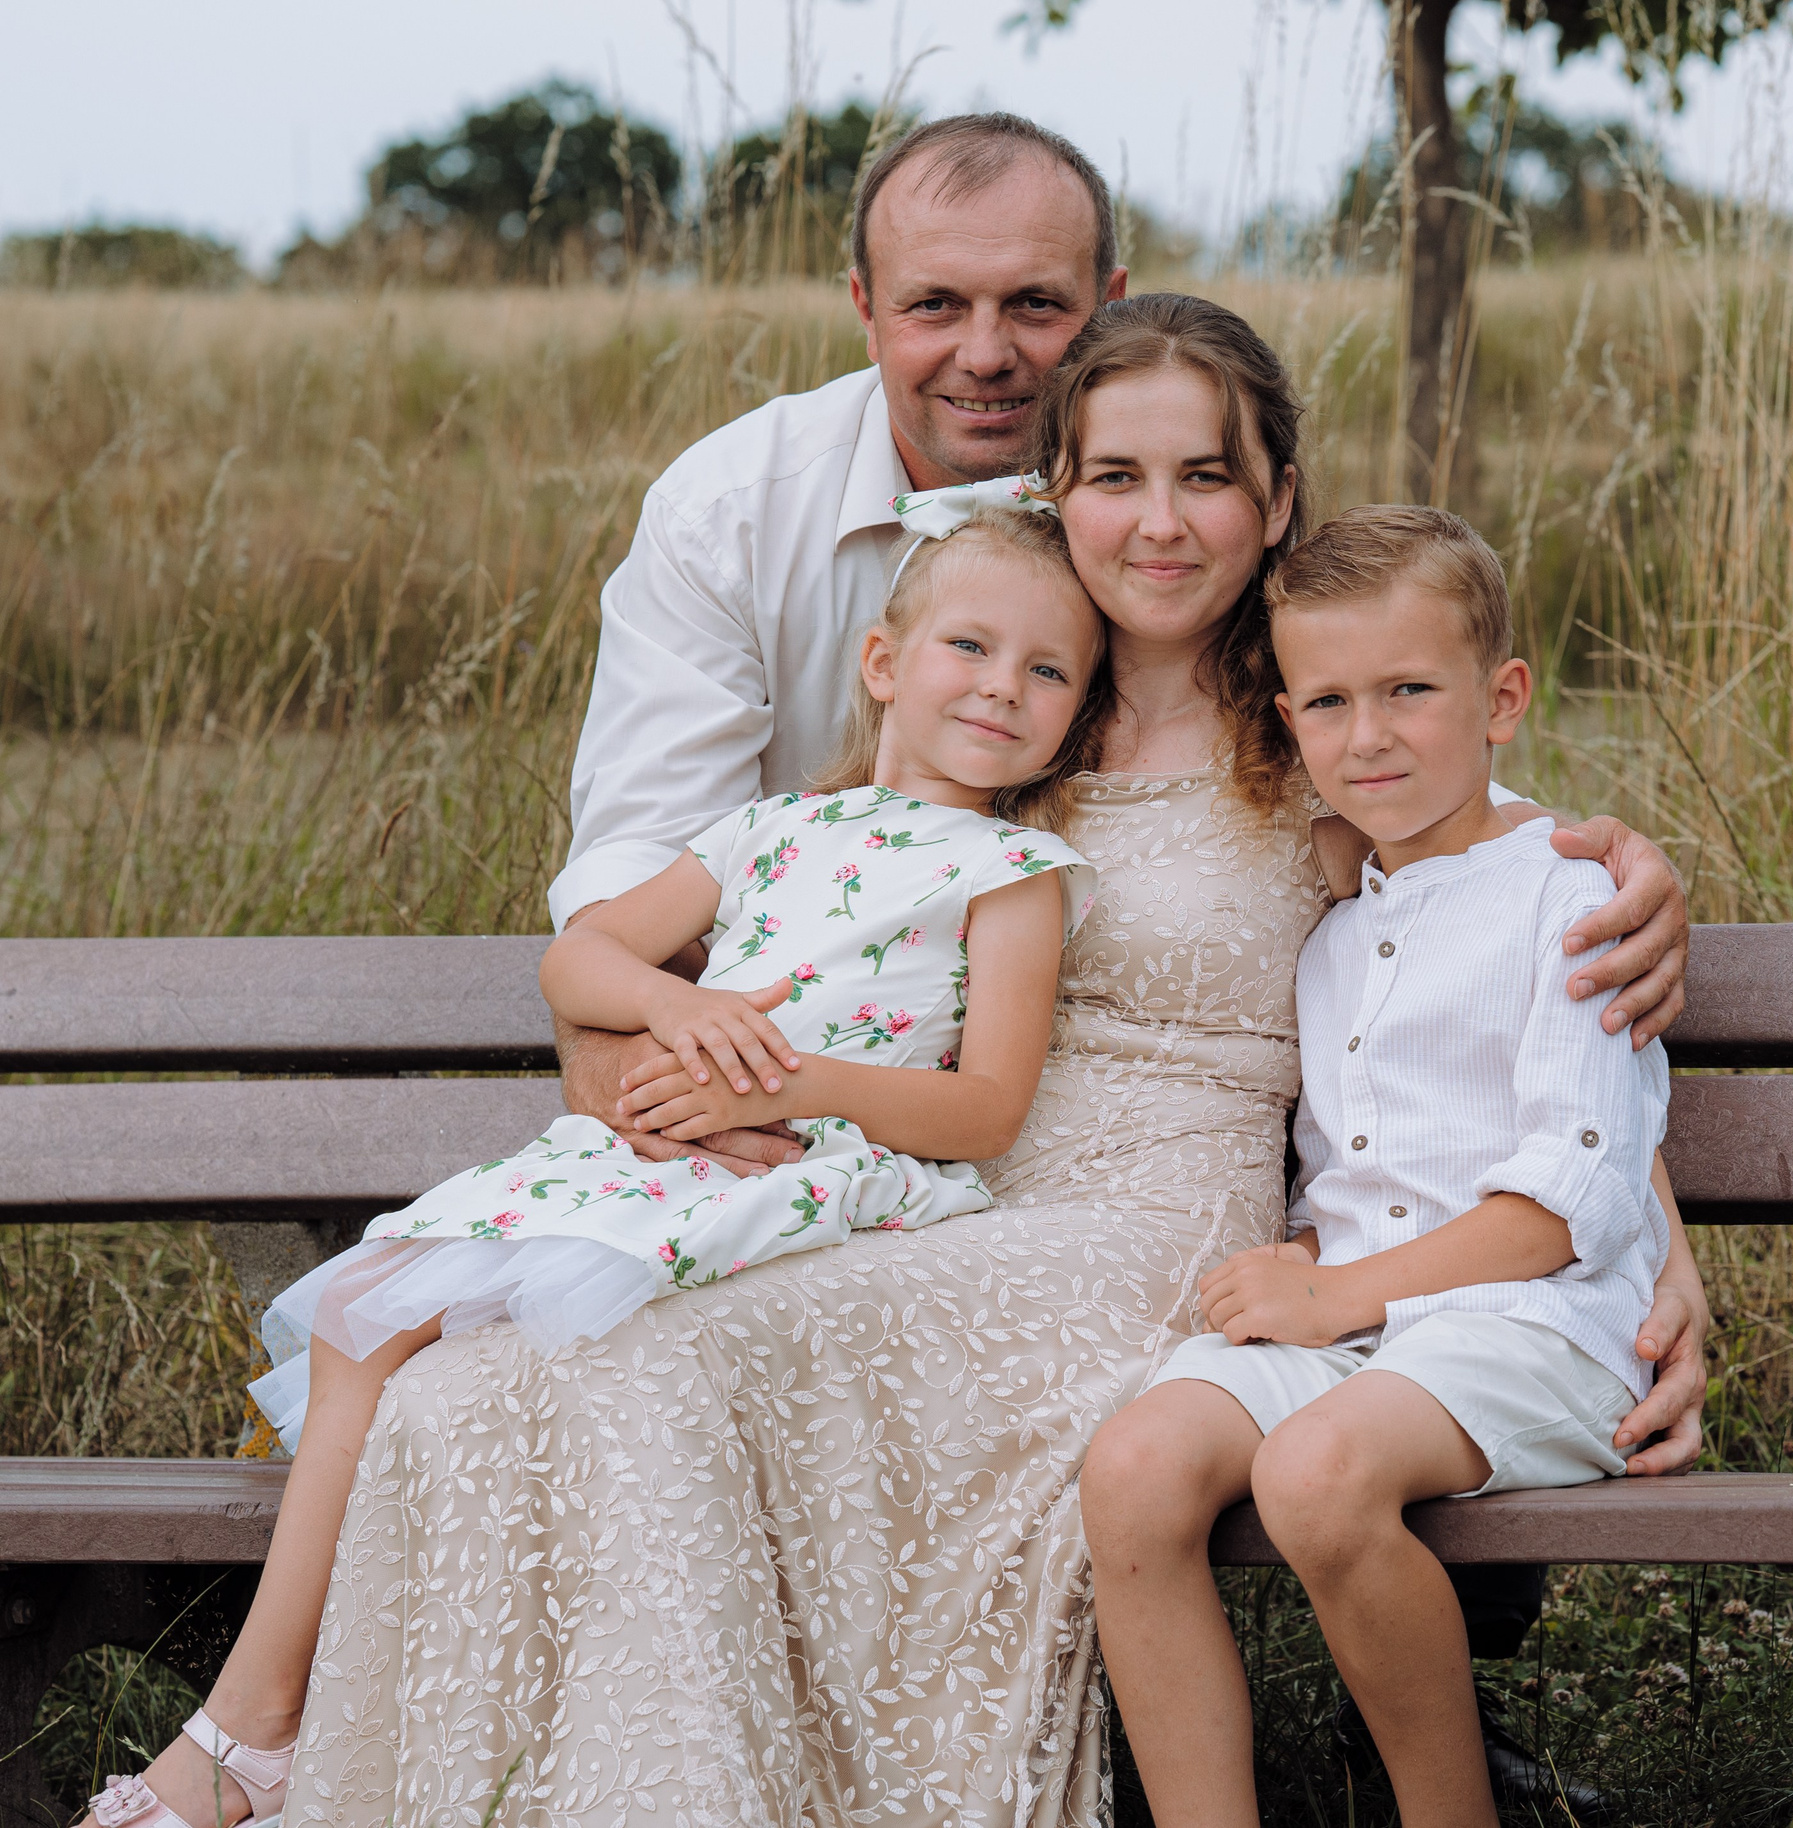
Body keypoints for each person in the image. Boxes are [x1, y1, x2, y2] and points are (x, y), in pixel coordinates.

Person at [540, 109, 1705, 1806]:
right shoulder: (1004, 711)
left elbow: (1513, 928)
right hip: (938, 1172)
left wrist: (1653, 1236)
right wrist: (665, 1113)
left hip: (1168, 1219)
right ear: (1052, 494)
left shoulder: (1310, 727)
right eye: (1115, 482)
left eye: (1208, 479)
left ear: (1275, 497)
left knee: (773, 1357)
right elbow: (694, 900)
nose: (1160, 523)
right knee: (667, 1339)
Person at [76, 506, 1105, 1828]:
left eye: (1048, 671)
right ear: (884, 661)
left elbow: (987, 1109)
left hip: (809, 1162)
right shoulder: (770, 830)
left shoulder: (1011, 871)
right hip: (664, 1152)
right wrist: (681, 1014)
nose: (1002, 687)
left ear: (1077, 717)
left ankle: (247, 1742)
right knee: (353, 1314)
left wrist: (798, 1079)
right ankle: (263, 1721)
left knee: (480, 1352)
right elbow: (584, 962)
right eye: (972, 644)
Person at [1083, 504, 1668, 1828]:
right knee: (1132, 1469)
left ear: (1502, 697)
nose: (1372, 736)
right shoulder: (1341, 928)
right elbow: (1351, 1166)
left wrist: (1334, 1298)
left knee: (1314, 1473)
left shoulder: (1569, 901)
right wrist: (1303, 1263)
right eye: (1331, 703)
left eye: (1411, 691)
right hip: (1360, 1324)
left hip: (1535, 1329)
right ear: (1290, 722)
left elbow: (1562, 1212)